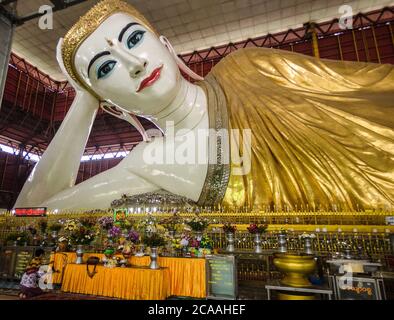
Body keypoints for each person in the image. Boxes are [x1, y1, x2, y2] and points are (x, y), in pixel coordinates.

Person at [14, 0, 394, 212]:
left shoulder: (249, 69)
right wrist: (84, 99)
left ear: (166, 45)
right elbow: (31, 214)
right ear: (110, 105)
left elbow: (362, 92)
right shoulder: (149, 161)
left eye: (134, 40)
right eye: (106, 67)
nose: (135, 64)